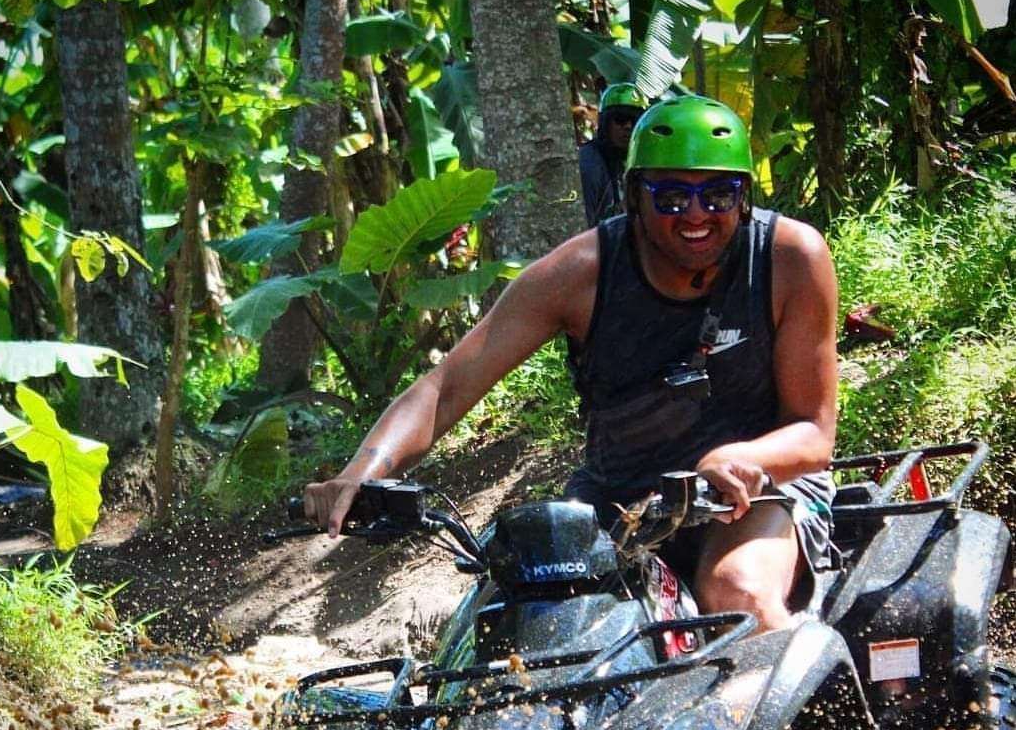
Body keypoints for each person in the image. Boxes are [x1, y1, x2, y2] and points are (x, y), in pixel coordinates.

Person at [304, 95, 838, 633]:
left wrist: (740, 458)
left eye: (718, 194)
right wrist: (361, 474)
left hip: (759, 493)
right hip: (621, 502)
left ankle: (810, 713)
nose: (697, 215)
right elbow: (446, 386)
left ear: (744, 197)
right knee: (523, 625)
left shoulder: (789, 258)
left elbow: (814, 434)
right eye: (672, 196)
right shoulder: (580, 273)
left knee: (737, 591)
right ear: (634, 196)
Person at [578, 82, 648, 226]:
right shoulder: (590, 162)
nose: (628, 127)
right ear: (606, 124)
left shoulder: (644, 163)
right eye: (620, 119)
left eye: (635, 120)